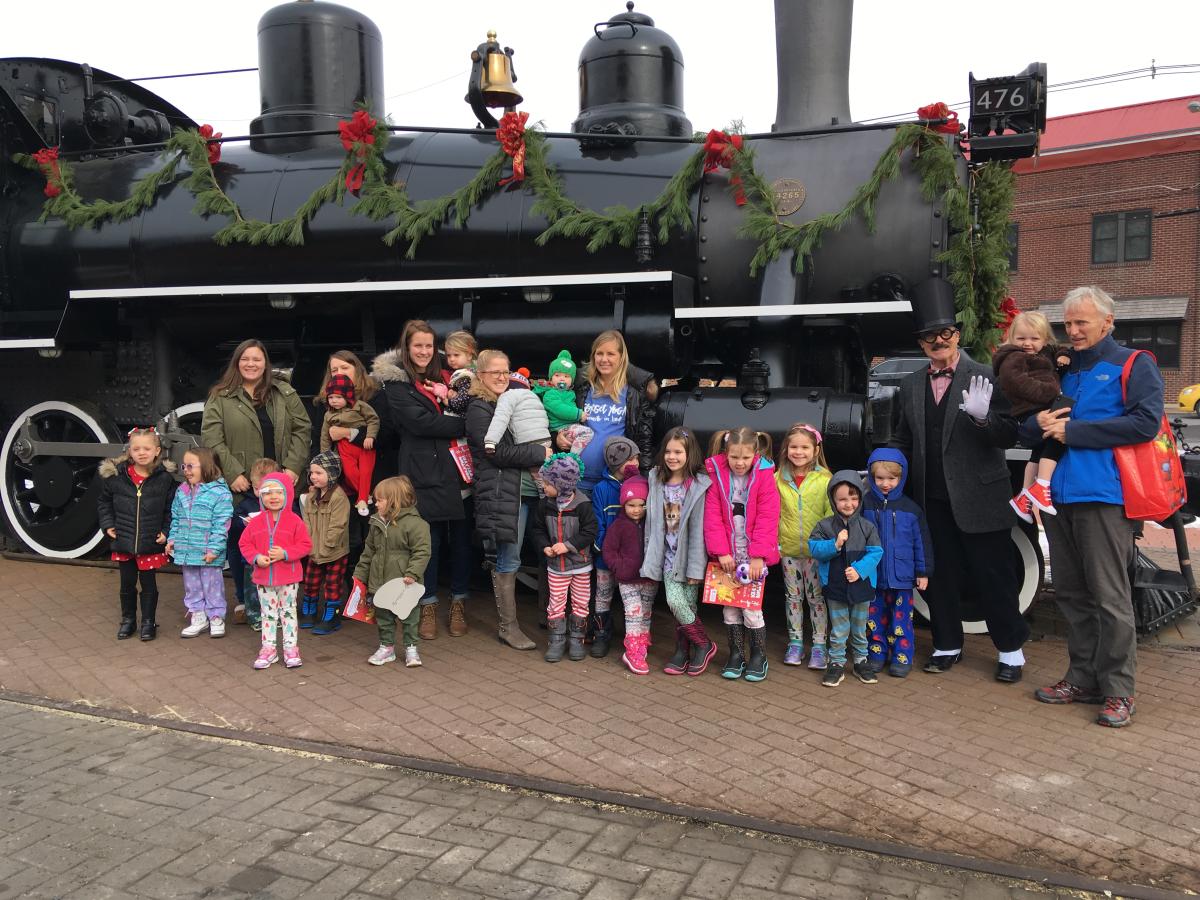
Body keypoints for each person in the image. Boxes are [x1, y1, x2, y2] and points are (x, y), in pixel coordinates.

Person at [1026, 286, 1163, 728]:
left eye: (1083, 322)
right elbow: (1036, 423)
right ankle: (1082, 677)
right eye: (1068, 323)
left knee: (1109, 596)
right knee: (1069, 591)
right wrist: (1038, 423)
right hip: (1058, 496)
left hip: (1104, 496)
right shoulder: (1061, 368)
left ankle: (1119, 690)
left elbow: (1145, 422)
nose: (1074, 330)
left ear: (1108, 321)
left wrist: (1078, 432)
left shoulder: (1133, 364)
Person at [890, 277, 1027, 683]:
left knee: (994, 576)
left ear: (957, 334)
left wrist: (984, 418)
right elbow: (903, 436)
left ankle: (1011, 651)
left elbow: (1008, 434)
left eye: (945, 333)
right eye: (930, 336)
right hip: (932, 498)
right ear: (921, 343)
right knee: (941, 574)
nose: (938, 341)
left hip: (980, 495)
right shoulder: (910, 384)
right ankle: (947, 643)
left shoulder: (986, 375)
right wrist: (884, 465)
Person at [372, 321, 471, 641]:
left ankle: (459, 603)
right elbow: (419, 423)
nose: (424, 352)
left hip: (459, 470)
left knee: (462, 543)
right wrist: (463, 424)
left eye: (429, 346)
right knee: (427, 544)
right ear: (406, 347)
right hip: (423, 472)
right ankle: (427, 605)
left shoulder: (449, 376)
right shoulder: (397, 384)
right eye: (418, 346)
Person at [202, 339, 311, 594]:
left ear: (265, 364)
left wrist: (293, 468)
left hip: (280, 484)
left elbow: (302, 428)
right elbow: (212, 438)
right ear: (237, 363)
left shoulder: (283, 393)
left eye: (257, 359)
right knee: (242, 542)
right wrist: (233, 473)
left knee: (285, 539)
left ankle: (284, 597)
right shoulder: (220, 396)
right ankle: (244, 599)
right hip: (243, 485)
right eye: (245, 359)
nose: (251, 364)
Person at [465, 349, 551, 650]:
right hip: (505, 494)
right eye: (494, 372)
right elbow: (496, 452)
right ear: (481, 376)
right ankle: (508, 627)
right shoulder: (479, 409)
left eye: (506, 371)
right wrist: (541, 453)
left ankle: (547, 617)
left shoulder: (507, 400)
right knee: (509, 558)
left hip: (529, 491)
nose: (502, 377)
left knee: (544, 553)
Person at [704, 428, 780, 683]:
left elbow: (768, 517)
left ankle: (758, 655)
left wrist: (758, 555)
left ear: (755, 454)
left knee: (751, 609)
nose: (739, 463)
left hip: (752, 558)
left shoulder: (764, 476)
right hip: (727, 557)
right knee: (729, 609)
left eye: (745, 458)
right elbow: (712, 515)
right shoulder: (717, 474)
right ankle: (736, 654)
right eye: (734, 457)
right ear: (726, 454)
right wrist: (721, 551)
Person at [641, 426, 716, 676]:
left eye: (678, 452)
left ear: (689, 453)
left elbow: (697, 530)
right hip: (667, 556)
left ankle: (689, 648)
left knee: (687, 606)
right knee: (675, 603)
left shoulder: (698, 485)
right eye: (668, 452)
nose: (672, 457)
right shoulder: (657, 479)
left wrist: (697, 567)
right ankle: (699, 645)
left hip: (689, 557)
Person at [992, 312, 1073, 522]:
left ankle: (1024, 495)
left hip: (1040, 405)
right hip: (1030, 407)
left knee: (1037, 450)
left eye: (1034, 338)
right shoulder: (1013, 357)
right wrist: (1050, 391)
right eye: (1021, 338)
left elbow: (1058, 349)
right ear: (1011, 338)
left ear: (1044, 339)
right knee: (1060, 437)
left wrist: (1063, 355)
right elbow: (1015, 382)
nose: (1027, 344)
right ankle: (1042, 484)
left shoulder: (1045, 352)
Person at [97, 427, 177, 641]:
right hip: (124, 539)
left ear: (157, 451)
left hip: (150, 541)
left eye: (147, 448)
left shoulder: (165, 479)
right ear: (129, 451)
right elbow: (104, 502)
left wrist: (167, 531)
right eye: (136, 448)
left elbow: (171, 509)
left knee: (149, 584)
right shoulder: (116, 477)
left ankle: (148, 622)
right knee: (127, 583)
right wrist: (107, 524)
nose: (142, 452)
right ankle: (128, 620)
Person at [860, 448, 933, 678]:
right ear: (871, 477)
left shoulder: (911, 509)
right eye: (879, 478)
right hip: (873, 575)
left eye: (892, 478)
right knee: (873, 617)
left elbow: (921, 543)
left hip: (901, 577)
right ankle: (876, 653)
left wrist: (923, 571)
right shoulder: (865, 505)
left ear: (901, 478)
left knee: (901, 618)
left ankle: (902, 656)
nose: (885, 484)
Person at [809, 471, 884, 688]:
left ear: (860, 499)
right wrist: (835, 544)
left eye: (853, 498)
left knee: (860, 627)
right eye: (842, 499)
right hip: (835, 586)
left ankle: (861, 661)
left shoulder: (867, 526)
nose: (848, 503)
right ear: (833, 500)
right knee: (839, 628)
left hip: (862, 587)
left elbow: (876, 552)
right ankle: (837, 663)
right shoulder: (824, 526)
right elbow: (814, 549)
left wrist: (859, 570)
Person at [356, 476, 432, 668]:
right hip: (380, 582)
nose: (376, 503)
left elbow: (422, 552)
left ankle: (411, 647)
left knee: (410, 617)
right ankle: (386, 647)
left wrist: (412, 573)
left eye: (379, 500)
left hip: (406, 583)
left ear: (394, 501)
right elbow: (369, 551)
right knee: (383, 617)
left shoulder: (416, 524)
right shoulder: (376, 522)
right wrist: (360, 575)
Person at [239, 471, 312, 670]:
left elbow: (305, 545)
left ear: (287, 494)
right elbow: (244, 544)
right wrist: (256, 558)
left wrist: (285, 554)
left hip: (288, 578)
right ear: (260, 496)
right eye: (268, 493)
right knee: (268, 614)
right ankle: (269, 649)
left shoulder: (295, 520)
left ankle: (290, 649)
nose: (273, 497)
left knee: (288, 612)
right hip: (263, 579)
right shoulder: (255, 522)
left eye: (278, 492)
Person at [774, 423, 833, 669]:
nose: (799, 452)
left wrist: (829, 544)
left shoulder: (825, 480)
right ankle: (796, 643)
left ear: (816, 450)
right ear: (786, 449)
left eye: (805, 447)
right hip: (788, 550)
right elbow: (772, 514)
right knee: (793, 598)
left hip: (816, 553)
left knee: (816, 598)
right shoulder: (777, 479)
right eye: (794, 447)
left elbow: (831, 515)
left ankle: (819, 645)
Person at [532, 453, 598, 662]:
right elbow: (537, 529)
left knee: (580, 602)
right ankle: (557, 640)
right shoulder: (545, 504)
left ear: (562, 484)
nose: (544, 487)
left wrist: (567, 546)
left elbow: (590, 532)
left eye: (548, 483)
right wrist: (545, 547)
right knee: (556, 602)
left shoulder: (583, 505)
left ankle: (577, 640)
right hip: (556, 567)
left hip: (580, 566)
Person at [574, 330, 658, 492]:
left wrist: (644, 479)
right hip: (578, 481)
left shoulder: (633, 394)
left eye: (610, 354)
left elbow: (644, 439)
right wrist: (559, 437)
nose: (604, 359)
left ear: (621, 357)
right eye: (599, 354)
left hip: (614, 482)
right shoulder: (581, 388)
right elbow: (563, 421)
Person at [167, 447, 234, 639]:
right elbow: (177, 518)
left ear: (206, 466)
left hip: (208, 552)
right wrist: (173, 539)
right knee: (192, 585)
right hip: (187, 551)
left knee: (212, 585)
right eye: (184, 466)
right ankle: (198, 615)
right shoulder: (182, 491)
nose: (186, 470)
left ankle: (215, 616)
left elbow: (222, 524)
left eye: (190, 466)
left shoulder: (220, 493)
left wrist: (214, 549)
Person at [588, 436, 641, 658]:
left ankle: (637, 636)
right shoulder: (601, 489)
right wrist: (602, 548)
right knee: (603, 594)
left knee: (634, 597)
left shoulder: (640, 484)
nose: (636, 463)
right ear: (616, 461)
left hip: (631, 557)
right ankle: (601, 633)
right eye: (631, 459)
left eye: (637, 458)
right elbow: (597, 521)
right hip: (605, 557)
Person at [602, 475, 653, 675]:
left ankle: (642, 641)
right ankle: (632, 650)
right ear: (624, 504)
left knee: (646, 612)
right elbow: (609, 551)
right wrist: (619, 567)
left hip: (648, 578)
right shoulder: (619, 526)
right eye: (631, 505)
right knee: (634, 612)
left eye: (641, 505)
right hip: (627, 579)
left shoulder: (650, 524)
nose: (637, 510)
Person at [301, 451, 351, 631]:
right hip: (314, 550)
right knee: (310, 581)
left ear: (331, 474)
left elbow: (338, 525)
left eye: (318, 473)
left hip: (334, 551)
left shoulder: (338, 497)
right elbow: (306, 520)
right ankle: (309, 610)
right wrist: (307, 542)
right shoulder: (311, 497)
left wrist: (328, 545)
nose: (313, 476)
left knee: (332, 583)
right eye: (312, 473)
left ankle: (332, 615)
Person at [319, 374, 379, 517]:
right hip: (344, 447)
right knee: (350, 473)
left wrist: (370, 436)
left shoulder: (360, 406)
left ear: (348, 396)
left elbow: (373, 419)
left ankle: (362, 500)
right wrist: (325, 456)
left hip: (364, 445)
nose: (334, 401)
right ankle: (364, 496)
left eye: (338, 397)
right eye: (331, 397)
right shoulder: (328, 415)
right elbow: (325, 436)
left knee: (365, 472)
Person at [230, 457, 278, 631]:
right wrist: (244, 523)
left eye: (267, 489)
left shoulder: (280, 503)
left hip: (274, 556)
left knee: (274, 588)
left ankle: (274, 615)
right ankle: (254, 615)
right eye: (258, 489)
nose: (263, 494)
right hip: (252, 558)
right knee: (253, 588)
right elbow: (234, 523)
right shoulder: (247, 503)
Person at [483, 368, 551, 462]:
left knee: (534, 473)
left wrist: (491, 441)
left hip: (527, 442)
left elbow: (501, 418)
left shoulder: (508, 395)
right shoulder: (534, 396)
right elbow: (544, 417)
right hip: (546, 439)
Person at [534, 349, 594, 454]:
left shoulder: (569, 393)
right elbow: (559, 408)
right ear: (551, 379)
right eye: (557, 375)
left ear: (572, 380)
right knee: (587, 433)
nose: (562, 379)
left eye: (566, 376)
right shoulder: (550, 393)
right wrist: (578, 414)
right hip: (561, 428)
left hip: (570, 426)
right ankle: (573, 456)